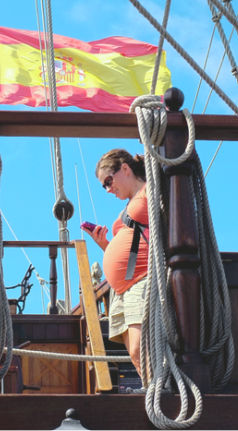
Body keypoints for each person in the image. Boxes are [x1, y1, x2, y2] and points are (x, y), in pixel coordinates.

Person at [83, 148, 149, 389]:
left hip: (142, 279)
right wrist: (105, 246)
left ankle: (157, 392)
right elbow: (131, 245)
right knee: (134, 352)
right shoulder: (131, 204)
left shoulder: (149, 191)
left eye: (108, 182)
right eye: (103, 186)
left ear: (125, 168)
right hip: (124, 287)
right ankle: (150, 389)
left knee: (140, 347)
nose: (108, 189)